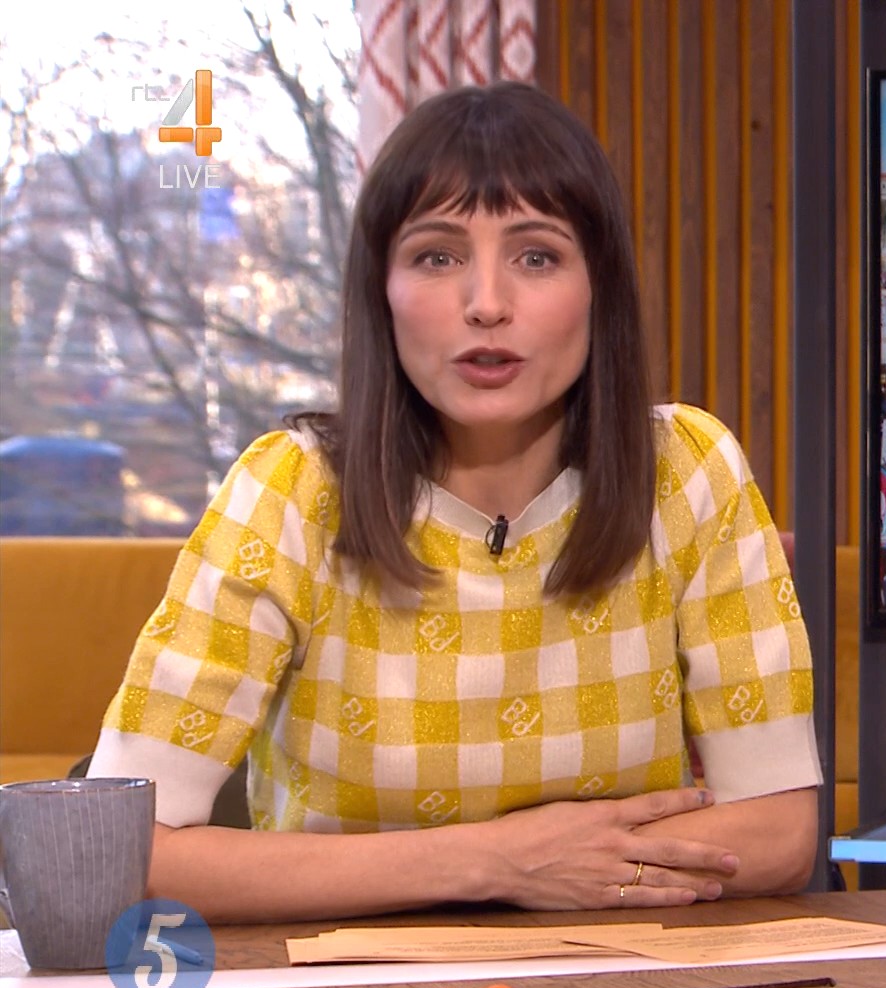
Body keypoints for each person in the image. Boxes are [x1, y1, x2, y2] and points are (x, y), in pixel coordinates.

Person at [84, 83, 822, 923]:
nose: (487, 304)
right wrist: (496, 862)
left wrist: (557, 870)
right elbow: (118, 851)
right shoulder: (290, 492)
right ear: (381, 291)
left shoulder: (688, 472)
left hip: (623, 974)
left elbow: (779, 831)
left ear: (599, 289)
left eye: (536, 257)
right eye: (437, 257)